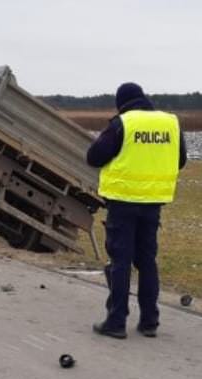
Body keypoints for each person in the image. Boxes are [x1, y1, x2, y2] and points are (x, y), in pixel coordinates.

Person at [87, 82, 187, 339]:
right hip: (153, 203)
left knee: (121, 262)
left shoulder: (123, 123)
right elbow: (182, 160)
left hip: (122, 202)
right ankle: (150, 322)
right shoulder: (170, 123)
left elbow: (94, 157)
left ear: (122, 102)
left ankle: (116, 321)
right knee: (147, 261)